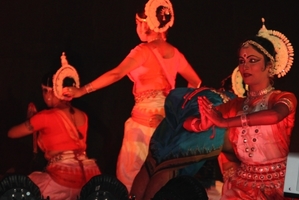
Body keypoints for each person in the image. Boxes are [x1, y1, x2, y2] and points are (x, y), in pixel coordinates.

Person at [62, 0, 201, 192]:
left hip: (142, 123)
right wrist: (176, 112)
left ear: (146, 23)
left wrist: (82, 90)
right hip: (165, 123)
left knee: (131, 178)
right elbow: (196, 82)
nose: (137, 27)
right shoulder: (175, 53)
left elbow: (116, 74)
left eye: (137, 23)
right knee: (161, 181)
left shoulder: (142, 51)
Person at [184, 18, 297, 199]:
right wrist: (201, 124)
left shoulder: (283, 98)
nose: (245, 66)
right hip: (242, 186)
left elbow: (275, 116)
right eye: (242, 61)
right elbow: (188, 123)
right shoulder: (234, 105)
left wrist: (224, 121)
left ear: (269, 66)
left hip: (282, 184)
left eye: (252, 60)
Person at [7, 52, 101, 200]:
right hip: (90, 177)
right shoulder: (83, 115)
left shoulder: (45, 117)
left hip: (62, 180)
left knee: (17, 190)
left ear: (49, 92)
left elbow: (12, 133)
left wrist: (32, 120)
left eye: (44, 92)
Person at [130, 75, 236, 200]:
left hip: (186, 102)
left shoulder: (209, 93)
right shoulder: (236, 104)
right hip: (207, 113)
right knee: (170, 167)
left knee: (152, 163)